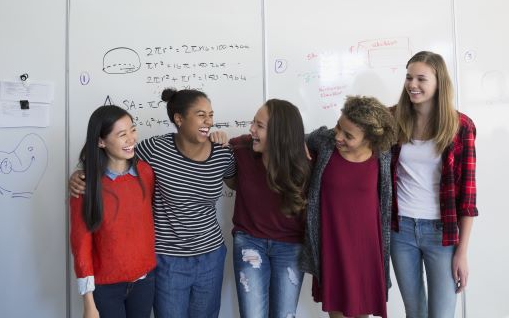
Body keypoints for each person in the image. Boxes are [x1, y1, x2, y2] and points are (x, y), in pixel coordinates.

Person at [70, 88, 236, 318]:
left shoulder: (222, 154)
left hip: (210, 256)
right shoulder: (154, 150)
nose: (208, 120)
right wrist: (80, 174)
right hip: (167, 259)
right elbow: (114, 154)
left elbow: (237, 181)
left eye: (210, 114)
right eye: (201, 114)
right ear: (179, 119)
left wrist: (231, 141)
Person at [390, 51, 478, 318]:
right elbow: (351, 129)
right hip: (400, 228)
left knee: (441, 314)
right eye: (408, 77)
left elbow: (468, 197)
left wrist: (462, 252)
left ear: (439, 82)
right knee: (414, 311)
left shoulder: (461, 126)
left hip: (441, 233)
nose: (412, 84)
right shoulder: (391, 119)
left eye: (421, 78)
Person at [301, 95, 397, 318]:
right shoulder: (325, 142)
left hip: (366, 248)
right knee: (337, 311)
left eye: (349, 135)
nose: (339, 137)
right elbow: (294, 137)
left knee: (362, 309)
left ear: (369, 140)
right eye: (338, 127)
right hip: (332, 242)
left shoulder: (381, 154)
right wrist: (300, 145)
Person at [69, 105, 156, 318]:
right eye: (122, 135)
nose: (131, 139)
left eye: (132, 130)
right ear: (101, 141)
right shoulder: (85, 185)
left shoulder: (145, 172)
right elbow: (81, 245)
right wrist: (88, 303)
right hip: (106, 288)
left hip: (145, 281)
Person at [229, 99, 311, 318]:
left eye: (260, 126)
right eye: (253, 123)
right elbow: (212, 146)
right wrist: (216, 138)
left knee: (285, 314)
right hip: (250, 241)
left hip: (291, 246)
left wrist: (303, 140)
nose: (251, 129)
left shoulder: (307, 161)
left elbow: (332, 136)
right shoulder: (241, 148)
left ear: (279, 134)